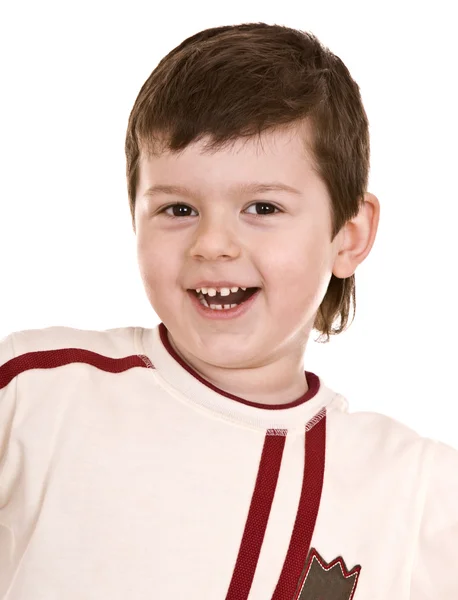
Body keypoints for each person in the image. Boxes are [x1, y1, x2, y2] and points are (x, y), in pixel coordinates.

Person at [0, 22, 456, 600]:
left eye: (262, 207)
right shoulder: (35, 389)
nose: (212, 244)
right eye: (178, 209)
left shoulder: (416, 491)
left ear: (349, 234)